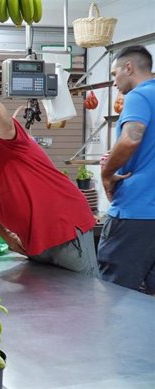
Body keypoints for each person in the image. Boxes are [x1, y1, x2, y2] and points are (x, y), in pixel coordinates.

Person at [0, 67, 98, 276]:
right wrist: (6, 237)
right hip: (32, 243)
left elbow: (4, 124)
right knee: (55, 304)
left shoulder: (4, 139)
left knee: (85, 299)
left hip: (65, 231)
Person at [98, 45, 155, 293]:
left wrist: (107, 173)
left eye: (114, 74)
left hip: (136, 211)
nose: (114, 82)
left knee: (115, 295)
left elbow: (132, 138)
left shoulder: (139, 96)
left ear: (129, 68)